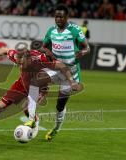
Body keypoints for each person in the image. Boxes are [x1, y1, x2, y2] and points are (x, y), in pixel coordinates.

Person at [0, 42, 77, 138]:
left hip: (39, 85)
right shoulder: (16, 56)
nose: (17, 61)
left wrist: (71, 82)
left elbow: (61, 66)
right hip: (22, 83)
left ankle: (34, 120)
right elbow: (5, 50)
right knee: (0, 106)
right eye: (17, 59)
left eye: (20, 60)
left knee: (26, 107)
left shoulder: (39, 59)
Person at [38, 4, 90, 141]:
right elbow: (43, 47)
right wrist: (48, 51)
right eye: (56, 16)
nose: (58, 19)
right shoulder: (51, 31)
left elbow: (87, 47)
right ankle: (33, 117)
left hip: (71, 73)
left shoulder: (75, 30)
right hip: (55, 68)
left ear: (67, 17)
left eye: (61, 16)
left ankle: (56, 128)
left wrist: (82, 52)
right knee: (38, 78)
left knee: (60, 105)